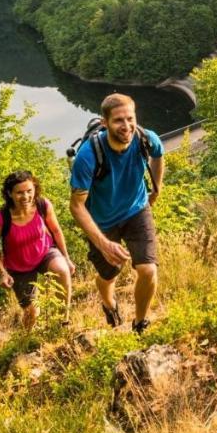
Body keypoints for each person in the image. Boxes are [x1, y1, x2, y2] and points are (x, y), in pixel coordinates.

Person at [70, 93, 164, 334]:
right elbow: (76, 206)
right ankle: (108, 303)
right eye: (118, 120)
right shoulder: (89, 155)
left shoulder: (144, 138)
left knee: (148, 269)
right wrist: (102, 244)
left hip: (136, 209)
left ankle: (140, 323)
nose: (127, 126)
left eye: (130, 118)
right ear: (105, 123)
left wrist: (156, 188)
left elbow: (158, 153)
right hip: (102, 221)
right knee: (109, 274)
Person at [0, 170, 75, 330]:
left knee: (63, 271)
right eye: (19, 192)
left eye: (29, 191)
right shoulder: (0, 219)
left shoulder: (43, 205)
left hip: (44, 252)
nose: (26, 196)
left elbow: (55, 230)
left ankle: (63, 322)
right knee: (32, 312)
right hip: (19, 267)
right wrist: (3, 273)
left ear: (35, 189)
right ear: (9, 194)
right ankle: (27, 339)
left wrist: (67, 258)